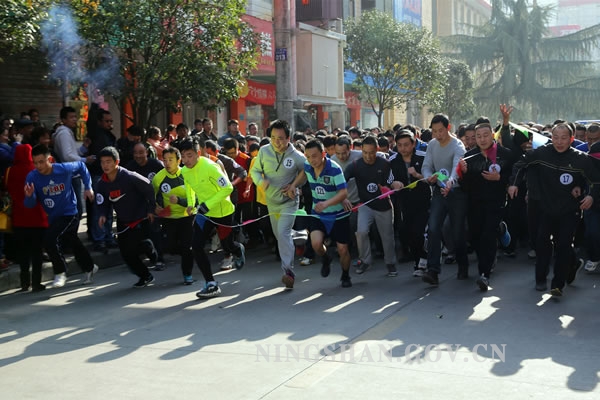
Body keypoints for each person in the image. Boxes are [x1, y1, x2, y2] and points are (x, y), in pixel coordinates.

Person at [508, 123, 600, 297]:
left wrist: (590, 196)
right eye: (556, 138)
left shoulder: (581, 159)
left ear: (571, 139)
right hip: (545, 207)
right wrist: (514, 184)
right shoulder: (542, 153)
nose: (559, 142)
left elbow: (595, 181)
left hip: (569, 209)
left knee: (563, 245)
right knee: (542, 242)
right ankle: (540, 278)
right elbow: (520, 165)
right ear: (551, 138)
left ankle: (558, 284)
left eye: (564, 138)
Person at [24, 144, 98, 288]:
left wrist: (88, 187)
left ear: (50, 159)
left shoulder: (63, 169)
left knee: (49, 239)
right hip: (54, 216)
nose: (38, 166)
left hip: (70, 212)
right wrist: (29, 196)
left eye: (41, 162)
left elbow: (82, 167)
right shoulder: (32, 177)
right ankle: (89, 267)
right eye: (35, 163)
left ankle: (60, 272)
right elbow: (30, 204)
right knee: (72, 241)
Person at [180, 138, 245, 298]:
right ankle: (211, 283)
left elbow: (228, 188)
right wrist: (191, 204)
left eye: (189, 155)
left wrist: (208, 204)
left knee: (227, 245)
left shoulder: (210, 167)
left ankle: (238, 249)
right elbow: (189, 187)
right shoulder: (185, 170)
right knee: (196, 246)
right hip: (204, 213)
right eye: (183, 156)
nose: (186, 160)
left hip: (223, 212)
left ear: (198, 153)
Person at [250, 120, 306, 289]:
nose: (276, 142)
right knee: (280, 235)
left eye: (280, 138)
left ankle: (288, 272)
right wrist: (261, 182)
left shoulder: (297, 156)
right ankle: (299, 235)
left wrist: (294, 185)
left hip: (289, 202)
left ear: (288, 138)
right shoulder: (264, 151)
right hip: (271, 202)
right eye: (273, 138)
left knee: (282, 233)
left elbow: (306, 171)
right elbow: (254, 171)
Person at [287, 139, 352, 287]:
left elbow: (343, 193)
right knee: (316, 244)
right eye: (308, 156)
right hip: (318, 214)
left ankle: (345, 275)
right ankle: (326, 258)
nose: (311, 160)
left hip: (338, 215)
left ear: (323, 154)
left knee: (343, 249)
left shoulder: (334, 169)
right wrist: (294, 185)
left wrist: (326, 204)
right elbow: (303, 173)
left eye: (315, 156)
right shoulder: (308, 166)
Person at [458, 123, 514, 291]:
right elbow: (464, 187)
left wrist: (500, 178)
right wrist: (464, 173)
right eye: (479, 136)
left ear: (492, 135)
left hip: (496, 202)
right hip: (475, 203)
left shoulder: (505, 154)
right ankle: (500, 230)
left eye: (485, 135)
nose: (482, 139)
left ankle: (484, 274)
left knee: (488, 236)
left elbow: (514, 176)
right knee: (475, 236)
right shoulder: (469, 157)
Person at [95, 146, 157, 288]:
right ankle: (145, 276)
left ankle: (149, 249)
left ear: (116, 162)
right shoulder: (102, 184)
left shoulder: (130, 176)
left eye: (108, 161)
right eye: (102, 162)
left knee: (136, 246)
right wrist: (102, 215)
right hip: (123, 220)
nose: (105, 165)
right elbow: (102, 202)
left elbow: (149, 188)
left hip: (140, 217)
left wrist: (151, 209)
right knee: (126, 253)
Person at [421, 114, 468, 286]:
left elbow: (457, 167)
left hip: (456, 192)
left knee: (457, 231)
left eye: (440, 130)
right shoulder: (432, 145)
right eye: (434, 131)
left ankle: (463, 265)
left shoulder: (457, 145)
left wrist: (451, 182)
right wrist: (429, 177)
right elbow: (426, 166)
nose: (437, 135)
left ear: (448, 128)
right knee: (433, 228)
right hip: (439, 191)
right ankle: (433, 270)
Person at [344, 135, 399, 277]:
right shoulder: (355, 165)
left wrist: (391, 187)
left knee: (387, 236)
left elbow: (391, 182)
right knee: (361, 232)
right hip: (365, 205)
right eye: (365, 152)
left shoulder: (384, 164)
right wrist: (342, 197)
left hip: (383, 206)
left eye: (371, 152)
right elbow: (342, 180)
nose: (368, 156)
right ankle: (365, 260)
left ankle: (390, 263)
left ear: (377, 150)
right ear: (361, 150)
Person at [6, 144, 49, 292]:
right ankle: (36, 282)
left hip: (19, 219)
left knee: (22, 253)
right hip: (38, 218)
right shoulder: (36, 170)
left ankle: (24, 282)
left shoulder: (10, 171)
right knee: (37, 252)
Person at [389, 130, 431, 277]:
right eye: (399, 145)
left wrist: (417, 175)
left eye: (406, 144)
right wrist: (393, 183)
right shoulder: (393, 160)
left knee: (419, 232)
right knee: (407, 232)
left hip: (422, 200)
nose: (403, 148)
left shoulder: (423, 157)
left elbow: (431, 178)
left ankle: (423, 261)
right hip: (404, 201)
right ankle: (418, 260)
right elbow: (387, 179)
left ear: (413, 144)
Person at [152, 147, 195, 284]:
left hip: (187, 216)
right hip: (169, 218)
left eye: (171, 160)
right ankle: (189, 254)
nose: (167, 163)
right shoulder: (158, 178)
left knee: (187, 246)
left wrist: (180, 201)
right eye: (164, 160)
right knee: (170, 247)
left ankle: (187, 274)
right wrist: (155, 206)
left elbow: (195, 199)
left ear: (179, 160)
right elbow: (152, 196)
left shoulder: (188, 174)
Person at [86, 105, 117, 253]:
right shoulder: (96, 134)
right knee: (99, 208)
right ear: (99, 122)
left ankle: (107, 237)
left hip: (109, 176)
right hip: (99, 175)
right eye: (107, 121)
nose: (110, 123)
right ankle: (99, 239)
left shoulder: (108, 135)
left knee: (108, 208)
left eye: (111, 121)